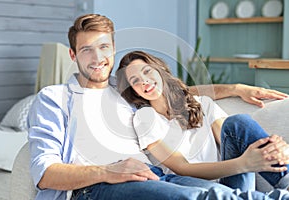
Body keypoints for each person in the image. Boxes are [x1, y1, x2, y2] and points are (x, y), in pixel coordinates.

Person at [28, 14, 289, 200]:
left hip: (156, 176)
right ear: (73, 55)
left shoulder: (123, 93)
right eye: (86, 50)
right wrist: (110, 171)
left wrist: (234, 89)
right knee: (205, 197)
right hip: (98, 186)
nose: (97, 58)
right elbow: (44, 173)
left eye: (103, 47)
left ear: (113, 49)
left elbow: (170, 92)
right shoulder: (54, 98)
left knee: (222, 191)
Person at [115, 50, 289, 192]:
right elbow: (182, 168)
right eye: (135, 81)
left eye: (147, 71)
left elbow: (234, 140)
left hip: (233, 180)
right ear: (135, 91)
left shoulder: (201, 103)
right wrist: (243, 164)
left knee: (238, 122)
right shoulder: (145, 119)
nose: (144, 81)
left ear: (160, 71)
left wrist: (273, 147)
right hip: (199, 190)